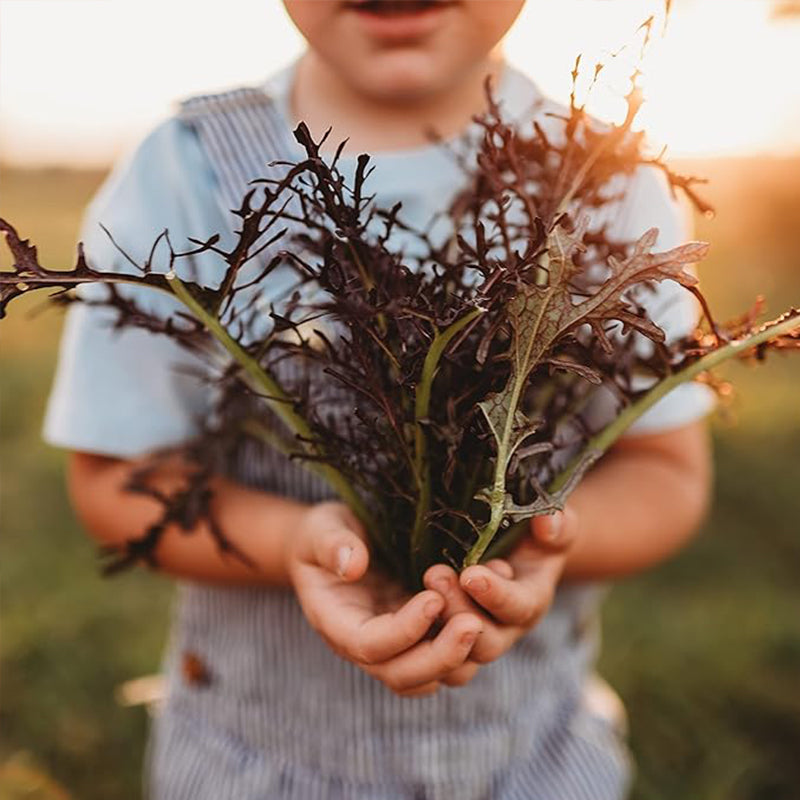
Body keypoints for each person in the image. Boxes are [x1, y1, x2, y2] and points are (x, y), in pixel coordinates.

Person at [43, 2, 713, 798]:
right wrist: (298, 541)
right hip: (252, 765)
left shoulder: (606, 175)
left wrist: (544, 544)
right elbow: (116, 481)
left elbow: (666, 471)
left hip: (531, 760)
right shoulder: (186, 171)